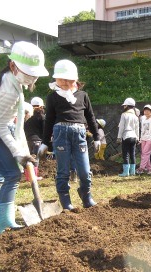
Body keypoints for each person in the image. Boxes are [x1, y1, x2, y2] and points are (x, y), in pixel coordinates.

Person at [0, 41, 48, 234]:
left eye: (34, 73)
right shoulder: (8, 90)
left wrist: (20, 149)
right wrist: (19, 155)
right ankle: (3, 222)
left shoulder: (11, 81)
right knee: (12, 174)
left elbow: (13, 125)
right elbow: (2, 126)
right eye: (28, 73)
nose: (32, 77)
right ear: (13, 66)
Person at [38, 59, 100, 211]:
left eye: (68, 79)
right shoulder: (53, 97)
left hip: (80, 134)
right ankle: (65, 201)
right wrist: (45, 142)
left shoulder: (83, 96)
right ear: (55, 79)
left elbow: (91, 117)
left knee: (85, 171)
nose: (64, 82)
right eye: (60, 79)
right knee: (63, 170)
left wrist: (97, 137)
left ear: (75, 79)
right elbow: (49, 120)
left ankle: (86, 195)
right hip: (60, 134)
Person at [24, 96, 46, 181]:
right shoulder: (42, 117)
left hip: (27, 140)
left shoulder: (27, 116)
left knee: (27, 159)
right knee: (35, 159)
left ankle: (28, 177)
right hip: (37, 141)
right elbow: (45, 130)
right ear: (41, 106)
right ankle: (34, 176)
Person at [117, 97, 140, 177]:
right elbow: (137, 128)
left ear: (127, 106)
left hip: (126, 136)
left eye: (124, 105)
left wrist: (119, 137)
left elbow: (121, 127)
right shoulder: (136, 116)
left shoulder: (124, 115)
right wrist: (138, 138)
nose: (123, 107)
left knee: (126, 154)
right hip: (134, 136)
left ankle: (126, 172)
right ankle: (132, 172)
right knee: (133, 154)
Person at [137, 104, 151, 175]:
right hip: (143, 138)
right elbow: (142, 130)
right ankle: (149, 170)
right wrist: (140, 138)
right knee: (145, 154)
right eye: (145, 110)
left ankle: (141, 168)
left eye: (148, 110)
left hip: (150, 138)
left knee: (145, 153)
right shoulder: (143, 119)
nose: (146, 111)